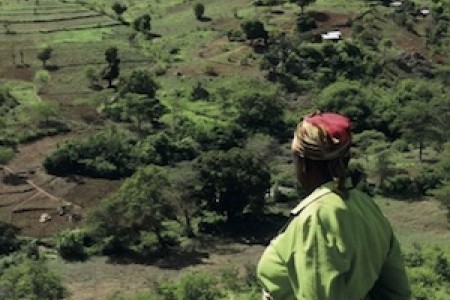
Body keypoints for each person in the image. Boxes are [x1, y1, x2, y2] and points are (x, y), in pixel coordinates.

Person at [257, 112, 411, 300]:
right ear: (346, 160)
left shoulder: (316, 218)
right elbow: (396, 292)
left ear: (302, 163)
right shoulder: (367, 207)